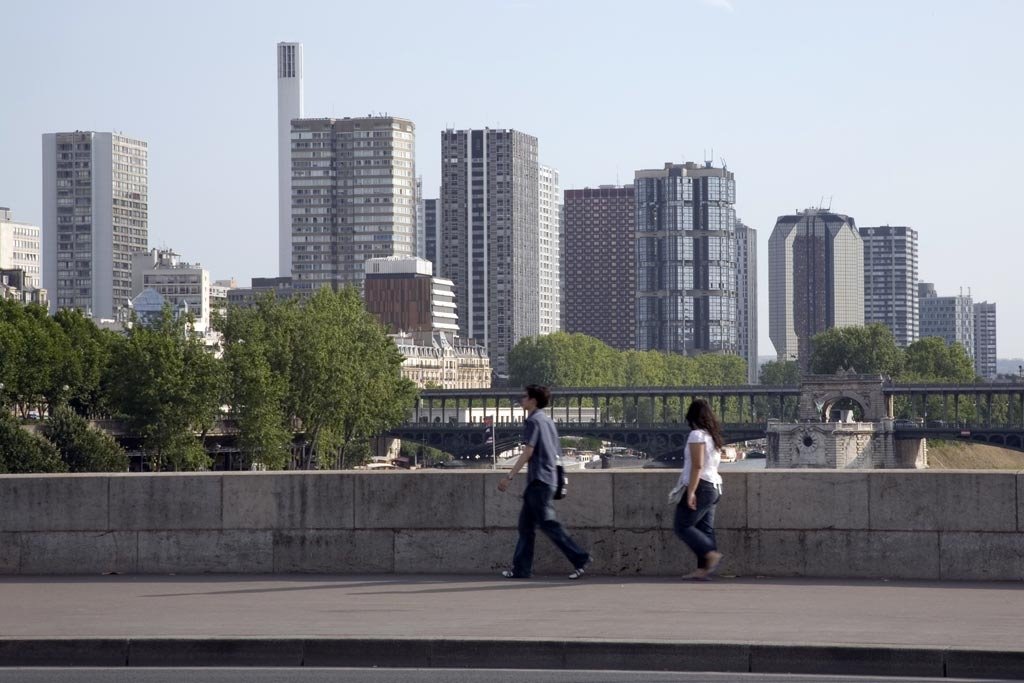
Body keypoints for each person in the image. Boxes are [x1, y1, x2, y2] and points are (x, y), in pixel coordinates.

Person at [497, 385, 591, 580]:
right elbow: (557, 453)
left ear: (533, 400)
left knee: (548, 524)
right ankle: (521, 569)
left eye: (524, 396)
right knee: (526, 527)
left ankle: (580, 558)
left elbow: (528, 451)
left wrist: (509, 477)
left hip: (539, 480)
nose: (521, 399)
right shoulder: (548, 421)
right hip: (547, 479)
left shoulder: (533, 421)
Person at [673, 398, 725, 580]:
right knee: (705, 529)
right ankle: (703, 570)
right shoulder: (712, 437)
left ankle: (710, 554)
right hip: (715, 487)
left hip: (702, 486)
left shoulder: (697, 436)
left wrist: (691, 491)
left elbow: (697, 466)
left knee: (682, 525)